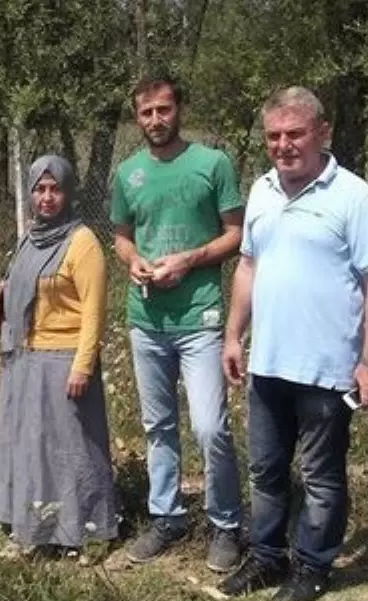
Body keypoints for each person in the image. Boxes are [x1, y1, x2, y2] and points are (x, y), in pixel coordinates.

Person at [219, 87, 368, 601]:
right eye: (274, 136)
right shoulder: (262, 191)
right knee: (267, 470)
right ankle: (267, 557)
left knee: (321, 475)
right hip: (268, 363)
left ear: (322, 133)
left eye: (295, 134)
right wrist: (233, 335)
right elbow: (248, 266)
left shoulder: (353, 196)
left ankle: (314, 565)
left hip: (327, 368)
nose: (283, 145)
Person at [110, 74, 245, 570]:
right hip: (146, 317)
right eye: (146, 113)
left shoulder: (212, 164)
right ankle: (166, 517)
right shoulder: (128, 174)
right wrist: (133, 260)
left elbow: (236, 234)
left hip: (200, 316)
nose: (155, 121)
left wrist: (191, 258)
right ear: (136, 117)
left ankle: (226, 524)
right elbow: (122, 236)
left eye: (163, 110)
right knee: (157, 426)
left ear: (179, 109)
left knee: (210, 427)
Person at [0, 155, 118, 554]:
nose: (47, 197)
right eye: (39, 189)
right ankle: (37, 527)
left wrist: (83, 365)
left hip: (64, 361)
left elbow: (94, 310)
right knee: (33, 448)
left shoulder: (83, 242)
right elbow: (25, 288)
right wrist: (2, 293)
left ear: (68, 192)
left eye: (55, 188)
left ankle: (86, 529)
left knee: (73, 453)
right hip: (26, 358)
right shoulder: (29, 239)